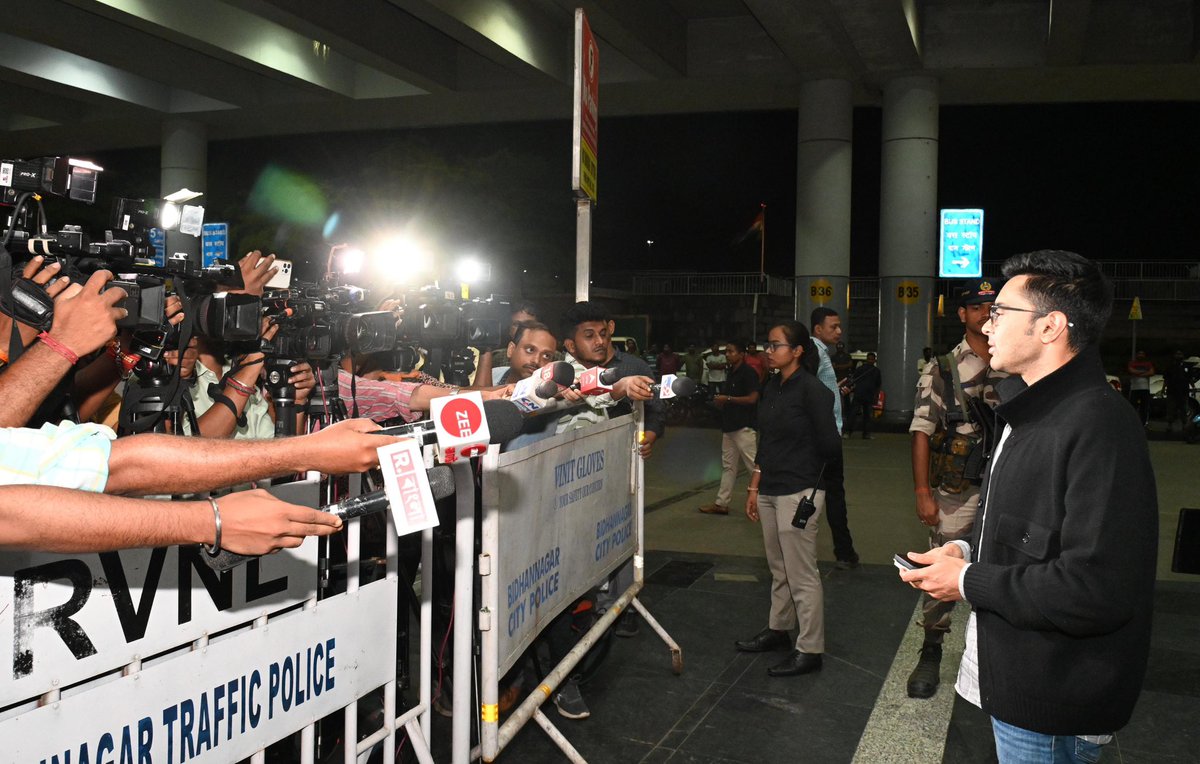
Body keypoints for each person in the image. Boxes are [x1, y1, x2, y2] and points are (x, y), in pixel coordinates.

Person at [901, 251, 1157, 763]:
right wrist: (961, 547)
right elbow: (1016, 523)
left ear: (1050, 327)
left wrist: (968, 581)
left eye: (1000, 312)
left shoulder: (1098, 426)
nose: (987, 324)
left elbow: (1096, 590)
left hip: (1053, 701)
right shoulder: (1030, 410)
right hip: (1018, 676)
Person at [551, 301, 663, 717]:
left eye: (603, 334)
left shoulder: (617, 367)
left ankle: (585, 656)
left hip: (599, 500)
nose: (600, 342)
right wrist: (618, 386)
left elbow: (609, 388)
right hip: (556, 509)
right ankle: (563, 682)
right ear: (568, 344)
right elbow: (587, 389)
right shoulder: (556, 377)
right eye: (589, 336)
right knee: (561, 598)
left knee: (592, 590)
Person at [904, 279, 1006, 699]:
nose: (985, 313)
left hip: (1007, 487)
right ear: (962, 314)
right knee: (939, 568)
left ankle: (1000, 654)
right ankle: (931, 649)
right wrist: (922, 493)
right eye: (977, 307)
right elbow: (922, 432)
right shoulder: (944, 367)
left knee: (1004, 568)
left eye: (992, 307)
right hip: (957, 490)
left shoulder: (1015, 360)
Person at [735, 321, 840, 677]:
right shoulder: (772, 387)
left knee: (801, 573)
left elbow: (830, 445)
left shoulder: (812, 391)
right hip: (770, 487)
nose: (768, 351)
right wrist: (754, 485)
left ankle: (810, 649)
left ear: (796, 351)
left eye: (776, 345)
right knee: (778, 567)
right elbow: (766, 442)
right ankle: (779, 630)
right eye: (767, 344)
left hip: (799, 489)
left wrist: (807, 472)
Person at [809, 307, 858, 569]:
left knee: (830, 493)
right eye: (833, 327)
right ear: (818, 329)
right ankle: (843, 551)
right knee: (829, 494)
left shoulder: (820, 353)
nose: (839, 331)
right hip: (824, 437)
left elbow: (817, 389)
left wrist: (837, 389)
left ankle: (844, 550)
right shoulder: (814, 351)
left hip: (827, 433)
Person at [699, 339, 759, 515]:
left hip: (744, 427)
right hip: (729, 426)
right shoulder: (730, 372)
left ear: (742, 354)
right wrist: (721, 402)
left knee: (754, 466)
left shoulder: (749, 373)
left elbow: (753, 398)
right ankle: (721, 503)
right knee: (728, 467)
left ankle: (768, 503)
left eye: (732, 351)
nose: (728, 354)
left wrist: (728, 399)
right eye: (727, 352)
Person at [843, 352, 882, 439]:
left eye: (872, 359)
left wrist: (876, 395)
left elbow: (878, 385)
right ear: (867, 359)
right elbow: (854, 380)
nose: (871, 361)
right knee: (854, 414)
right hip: (859, 394)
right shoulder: (864, 369)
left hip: (867, 395)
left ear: (875, 360)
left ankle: (865, 433)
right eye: (869, 359)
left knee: (866, 415)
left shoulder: (875, 371)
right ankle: (849, 432)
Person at [1163, 350, 1193, 435]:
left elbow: (1190, 379)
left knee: (1184, 409)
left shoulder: (1187, 367)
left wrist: (1193, 387)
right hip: (1172, 391)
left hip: (1183, 391)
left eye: (1180, 354)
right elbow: (1166, 379)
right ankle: (1169, 425)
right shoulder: (1170, 366)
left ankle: (1184, 425)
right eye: (1177, 354)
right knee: (1170, 409)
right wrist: (1163, 389)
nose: (1178, 356)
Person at [1127, 349, 1154, 425]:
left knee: (1144, 407)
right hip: (1134, 388)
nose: (1141, 355)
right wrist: (1145, 372)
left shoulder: (1148, 364)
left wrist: (1138, 373)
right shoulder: (1132, 363)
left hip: (1145, 388)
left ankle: (1143, 422)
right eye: (1139, 354)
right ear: (1136, 355)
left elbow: (1152, 372)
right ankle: (1132, 421)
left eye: (1142, 354)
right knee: (1133, 406)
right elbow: (1131, 371)